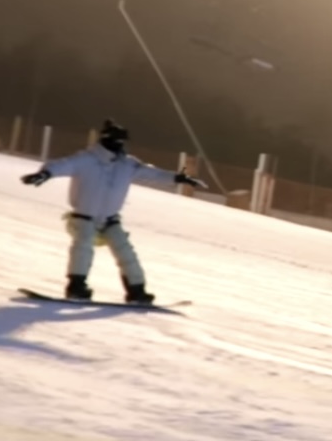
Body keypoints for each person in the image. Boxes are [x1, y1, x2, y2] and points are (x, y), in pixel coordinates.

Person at [20, 119, 207, 303]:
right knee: (83, 246)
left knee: (125, 251)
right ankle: (76, 287)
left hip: (110, 219)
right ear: (106, 139)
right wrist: (44, 173)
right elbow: (62, 165)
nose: (120, 145)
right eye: (117, 140)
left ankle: (137, 290)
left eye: (122, 141)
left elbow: (153, 173)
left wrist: (178, 178)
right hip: (84, 216)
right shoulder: (86, 160)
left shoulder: (127, 164)